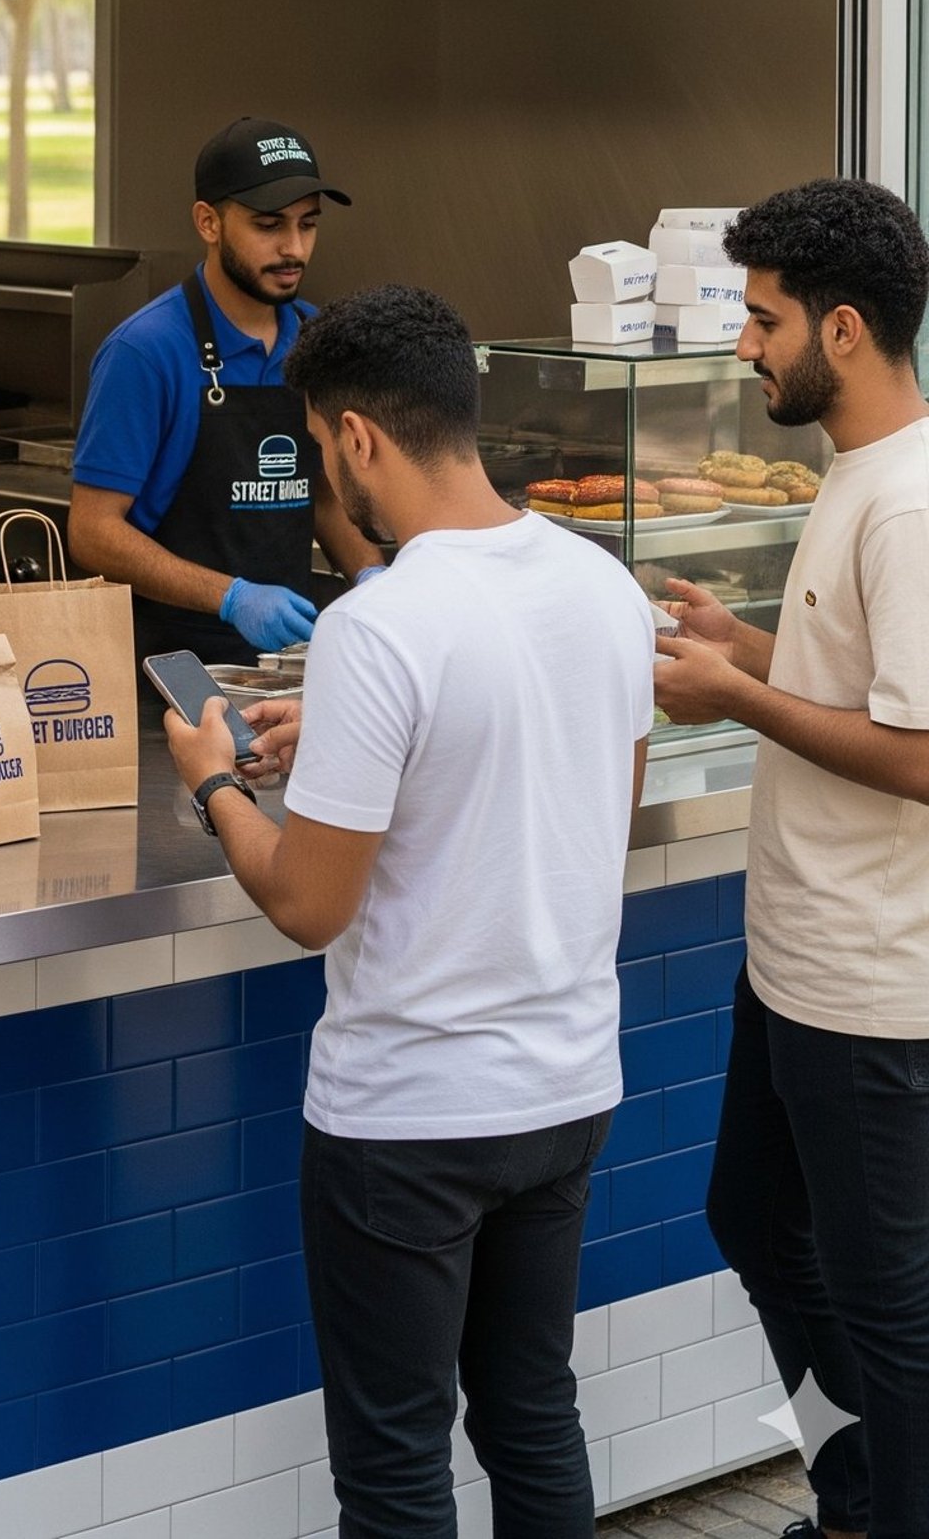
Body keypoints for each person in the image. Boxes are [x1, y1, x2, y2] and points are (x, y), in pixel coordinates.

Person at [165, 284, 654, 1539]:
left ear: (357, 439)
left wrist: (215, 781)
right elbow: (581, 803)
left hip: (411, 1123)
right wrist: (352, 736)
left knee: (394, 1466)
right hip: (565, 1089)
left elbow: (306, 904)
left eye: (327, 453)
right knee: (533, 1416)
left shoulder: (380, 626)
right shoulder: (603, 583)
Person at [654, 179, 929, 1539]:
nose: (745, 346)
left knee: (893, 1310)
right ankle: (856, 1491)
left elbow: (926, 752)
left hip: (875, 990)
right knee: (755, 1220)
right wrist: (750, 646)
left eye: (763, 320)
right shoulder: (858, 476)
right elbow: (869, 685)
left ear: (846, 326)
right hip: (795, 968)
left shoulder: (911, 505)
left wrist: (737, 698)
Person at [68, 118, 383, 690]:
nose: (293, 248)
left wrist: (372, 578)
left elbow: (322, 495)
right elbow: (92, 531)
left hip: (285, 671)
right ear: (208, 222)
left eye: (307, 224)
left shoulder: (318, 340)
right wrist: (232, 597)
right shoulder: (145, 351)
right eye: (268, 225)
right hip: (166, 675)